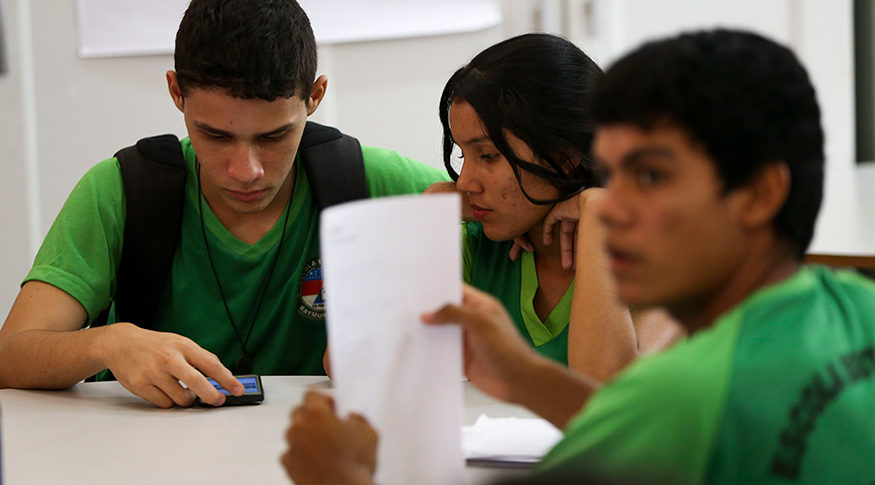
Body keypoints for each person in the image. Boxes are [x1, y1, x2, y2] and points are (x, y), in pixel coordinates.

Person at [282, 29, 875, 484]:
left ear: (757, 194)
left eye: (647, 176)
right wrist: (524, 375)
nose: (612, 205)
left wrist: (348, 478)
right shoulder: (857, 306)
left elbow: (625, 425)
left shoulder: (692, 388)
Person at [0, 0, 448, 409]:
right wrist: (108, 343)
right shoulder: (121, 190)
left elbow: (504, 203)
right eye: (215, 135)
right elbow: (11, 356)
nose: (246, 170)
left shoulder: (371, 182)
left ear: (315, 96)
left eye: (273, 136)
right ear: (176, 92)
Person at [424, 33, 683, 380]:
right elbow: (359, 364)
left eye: (487, 155)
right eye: (462, 154)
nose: (465, 181)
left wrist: (595, 210)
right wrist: (421, 219)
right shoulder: (479, 242)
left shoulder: (662, 254)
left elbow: (605, 390)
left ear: (565, 154)